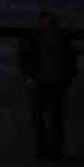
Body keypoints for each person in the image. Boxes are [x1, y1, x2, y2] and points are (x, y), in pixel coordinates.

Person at [18, 10, 76, 159]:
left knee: (55, 119)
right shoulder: (33, 39)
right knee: (40, 119)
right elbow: (24, 60)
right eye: (48, 24)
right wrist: (28, 78)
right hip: (40, 83)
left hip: (55, 83)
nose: (50, 26)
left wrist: (67, 79)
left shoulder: (61, 39)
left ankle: (54, 150)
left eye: (52, 24)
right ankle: (42, 149)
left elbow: (71, 61)